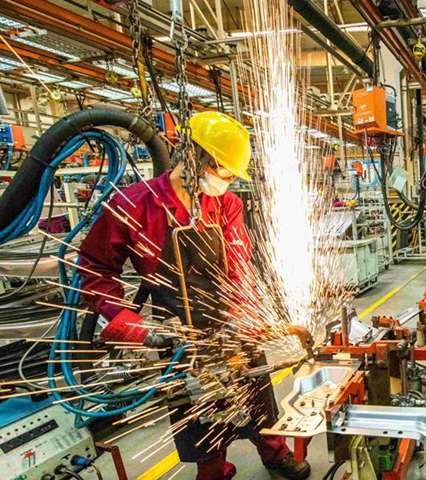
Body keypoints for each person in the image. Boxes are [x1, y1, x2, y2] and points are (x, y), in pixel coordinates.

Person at [78, 112, 311, 480]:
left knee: (256, 400)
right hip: (176, 327)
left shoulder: (226, 204)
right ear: (193, 155)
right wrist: (129, 324)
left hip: (231, 319)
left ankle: (275, 454)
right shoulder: (134, 204)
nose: (227, 181)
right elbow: (95, 269)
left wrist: (243, 311)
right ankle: (214, 470)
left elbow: (239, 263)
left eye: (232, 175)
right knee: (199, 411)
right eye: (223, 171)